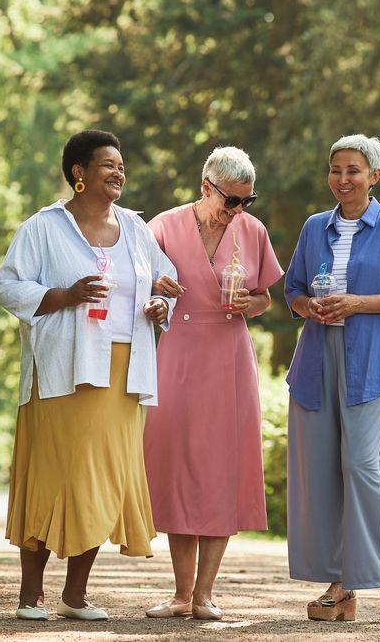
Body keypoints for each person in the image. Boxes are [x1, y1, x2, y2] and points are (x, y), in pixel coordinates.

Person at [0, 129, 178, 622]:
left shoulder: (137, 229)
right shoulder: (44, 227)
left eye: (121, 166)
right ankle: (30, 595)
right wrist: (64, 296)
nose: (119, 173)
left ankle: (75, 596)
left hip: (123, 374)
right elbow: (9, 287)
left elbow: (165, 283)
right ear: (79, 173)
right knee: (53, 475)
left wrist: (162, 302)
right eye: (107, 165)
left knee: (101, 480)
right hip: (62, 372)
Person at [281, 134, 380, 624]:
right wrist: (311, 308)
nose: (343, 179)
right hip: (318, 356)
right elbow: (294, 292)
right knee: (322, 469)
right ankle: (339, 588)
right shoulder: (313, 227)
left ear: (374, 177)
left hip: (371, 360)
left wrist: (358, 302)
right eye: (336, 170)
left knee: (363, 468)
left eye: (353, 171)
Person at [141, 146, 284, 621]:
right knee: (180, 466)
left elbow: (266, 298)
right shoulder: (162, 226)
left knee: (222, 467)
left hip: (228, 356)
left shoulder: (253, 231)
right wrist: (157, 295)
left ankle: (205, 595)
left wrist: (251, 305)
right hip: (177, 353)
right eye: (232, 201)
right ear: (207, 187)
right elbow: (138, 286)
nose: (238, 210)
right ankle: (181, 595)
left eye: (247, 200)